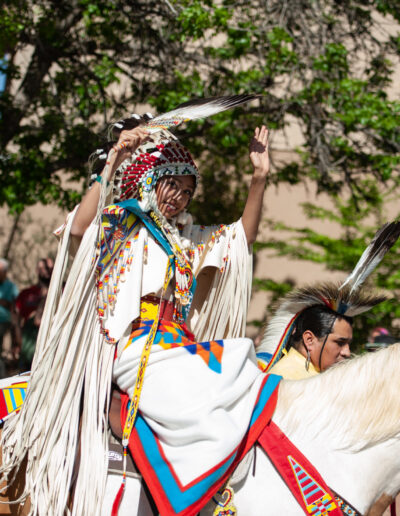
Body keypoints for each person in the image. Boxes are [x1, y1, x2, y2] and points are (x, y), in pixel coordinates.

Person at [0, 97, 278, 516]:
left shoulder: (188, 238)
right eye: (173, 186)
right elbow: (79, 228)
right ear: (150, 178)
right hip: (137, 346)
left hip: (179, 345)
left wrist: (258, 179)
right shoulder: (121, 222)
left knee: (242, 358)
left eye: (188, 192)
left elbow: (241, 240)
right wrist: (113, 161)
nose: (180, 198)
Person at [268, 304, 352, 379]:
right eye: (340, 343)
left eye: (349, 344)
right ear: (309, 340)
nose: (347, 353)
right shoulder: (288, 378)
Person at [15, 257, 54, 369]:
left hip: (52, 338)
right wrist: (17, 342)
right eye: (42, 268)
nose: (46, 271)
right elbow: (16, 319)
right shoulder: (26, 293)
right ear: (37, 270)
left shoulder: (63, 290)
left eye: (49, 268)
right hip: (30, 342)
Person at [0, 258, 19, 376]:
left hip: (4, 322)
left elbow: (16, 305)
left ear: (5, 272)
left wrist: (5, 303)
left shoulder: (11, 286)